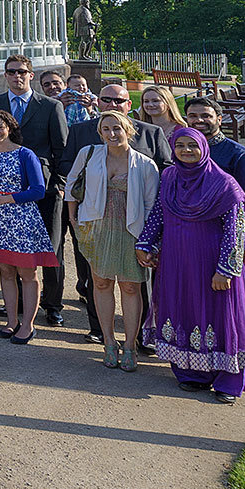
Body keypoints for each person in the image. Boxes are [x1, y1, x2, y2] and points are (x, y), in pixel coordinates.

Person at [134, 127, 245, 403]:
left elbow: (235, 229)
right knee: (184, 311)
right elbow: (160, 211)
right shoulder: (170, 176)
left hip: (211, 265)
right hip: (176, 262)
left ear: (204, 148)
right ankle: (192, 375)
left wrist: (225, 269)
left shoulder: (224, 183)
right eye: (180, 145)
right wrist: (145, 243)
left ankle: (228, 382)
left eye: (192, 145)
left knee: (221, 317)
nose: (186, 151)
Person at [184, 97, 245, 381]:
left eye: (205, 115)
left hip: (233, 247)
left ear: (219, 119)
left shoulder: (239, 156)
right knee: (205, 306)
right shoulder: (186, 152)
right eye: (192, 115)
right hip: (197, 248)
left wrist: (243, 247)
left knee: (240, 306)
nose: (198, 120)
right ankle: (207, 364)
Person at [65, 110, 160, 369]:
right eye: (106, 129)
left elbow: (152, 206)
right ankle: (108, 341)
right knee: (101, 282)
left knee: (130, 287)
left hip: (130, 231)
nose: (112, 134)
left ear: (128, 129)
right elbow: (72, 184)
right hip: (96, 228)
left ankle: (130, 345)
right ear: (100, 132)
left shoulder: (145, 164)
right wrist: (74, 219)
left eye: (117, 128)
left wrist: (148, 241)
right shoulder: (88, 154)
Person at [0, 55, 68, 327]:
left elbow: (62, 151)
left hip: (42, 192)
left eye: (22, 71)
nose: (16, 76)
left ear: (31, 75)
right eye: (11, 72)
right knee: (10, 255)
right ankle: (17, 306)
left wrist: (58, 185)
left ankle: (52, 305)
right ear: (5, 75)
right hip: (5, 199)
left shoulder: (50, 106)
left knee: (50, 250)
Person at [0, 109, 54, 344]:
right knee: (6, 272)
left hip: (21, 219)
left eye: (0, 126)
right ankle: (11, 321)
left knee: (27, 273)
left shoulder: (25, 155)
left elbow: (39, 190)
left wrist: (8, 198)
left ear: (9, 127)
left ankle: (28, 324)